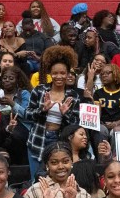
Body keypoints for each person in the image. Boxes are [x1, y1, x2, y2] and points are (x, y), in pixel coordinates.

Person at [24, 46, 81, 177]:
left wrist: (65, 113)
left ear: (68, 74)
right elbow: (27, 114)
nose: (59, 76)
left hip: (60, 141)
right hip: (37, 140)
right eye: (55, 73)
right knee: (36, 180)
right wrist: (42, 110)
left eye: (63, 73)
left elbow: (75, 124)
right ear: (50, 73)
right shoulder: (39, 90)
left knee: (57, 179)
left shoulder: (73, 95)